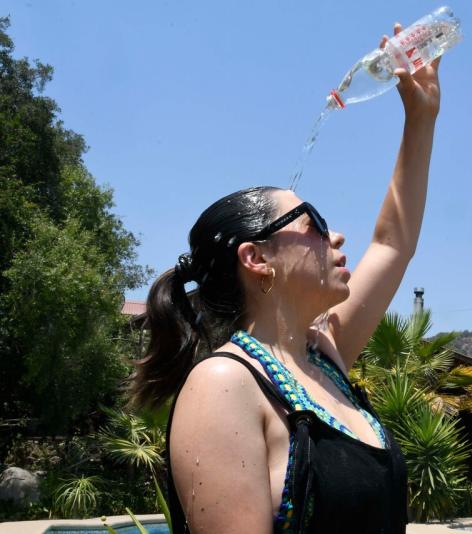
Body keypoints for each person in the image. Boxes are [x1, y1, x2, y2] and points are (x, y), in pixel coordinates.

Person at [128, 22, 442, 534]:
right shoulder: (225, 385)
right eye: (314, 225)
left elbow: (393, 243)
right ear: (256, 259)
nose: (337, 237)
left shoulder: (323, 356)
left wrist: (421, 116)